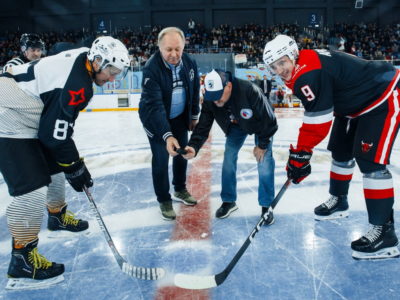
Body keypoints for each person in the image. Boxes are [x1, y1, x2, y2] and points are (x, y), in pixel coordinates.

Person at [0, 36, 130, 289]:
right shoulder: (79, 83)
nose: (113, 78)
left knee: (57, 168)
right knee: (32, 190)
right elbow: (54, 135)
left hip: (28, 112)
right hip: (7, 114)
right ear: (98, 60)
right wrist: (76, 167)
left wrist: (71, 165)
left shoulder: (86, 57)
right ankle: (22, 261)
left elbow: (57, 131)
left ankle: (56, 216)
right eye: (111, 71)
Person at [263, 34, 400, 260]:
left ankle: (385, 233)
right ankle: (339, 201)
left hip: (382, 96)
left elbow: (318, 122)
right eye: (274, 66)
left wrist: (300, 154)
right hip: (355, 103)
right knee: (340, 150)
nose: (279, 70)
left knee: (371, 162)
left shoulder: (307, 72)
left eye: (282, 62)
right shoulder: (304, 64)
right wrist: (301, 153)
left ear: (293, 55)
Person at [183, 69, 278, 223]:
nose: (215, 101)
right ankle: (229, 200)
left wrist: (262, 144)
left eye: (218, 96)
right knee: (228, 158)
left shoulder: (249, 90)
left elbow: (270, 120)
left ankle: (267, 205)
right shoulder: (211, 98)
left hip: (261, 125)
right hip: (235, 126)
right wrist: (193, 146)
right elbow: (203, 126)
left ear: (228, 86)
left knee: (264, 162)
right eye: (212, 97)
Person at [139, 27, 200, 221]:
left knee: (181, 153)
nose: (173, 54)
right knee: (161, 157)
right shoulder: (151, 68)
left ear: (183, 46)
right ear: (159, 48)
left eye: (177, 49)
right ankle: (164, 199)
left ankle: (180, 189)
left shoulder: (189, 62)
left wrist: (194, 116)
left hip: (179, 117)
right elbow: (155, 106)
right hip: (155, 119)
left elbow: (195, 87)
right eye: (168, 50)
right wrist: (167, 135)